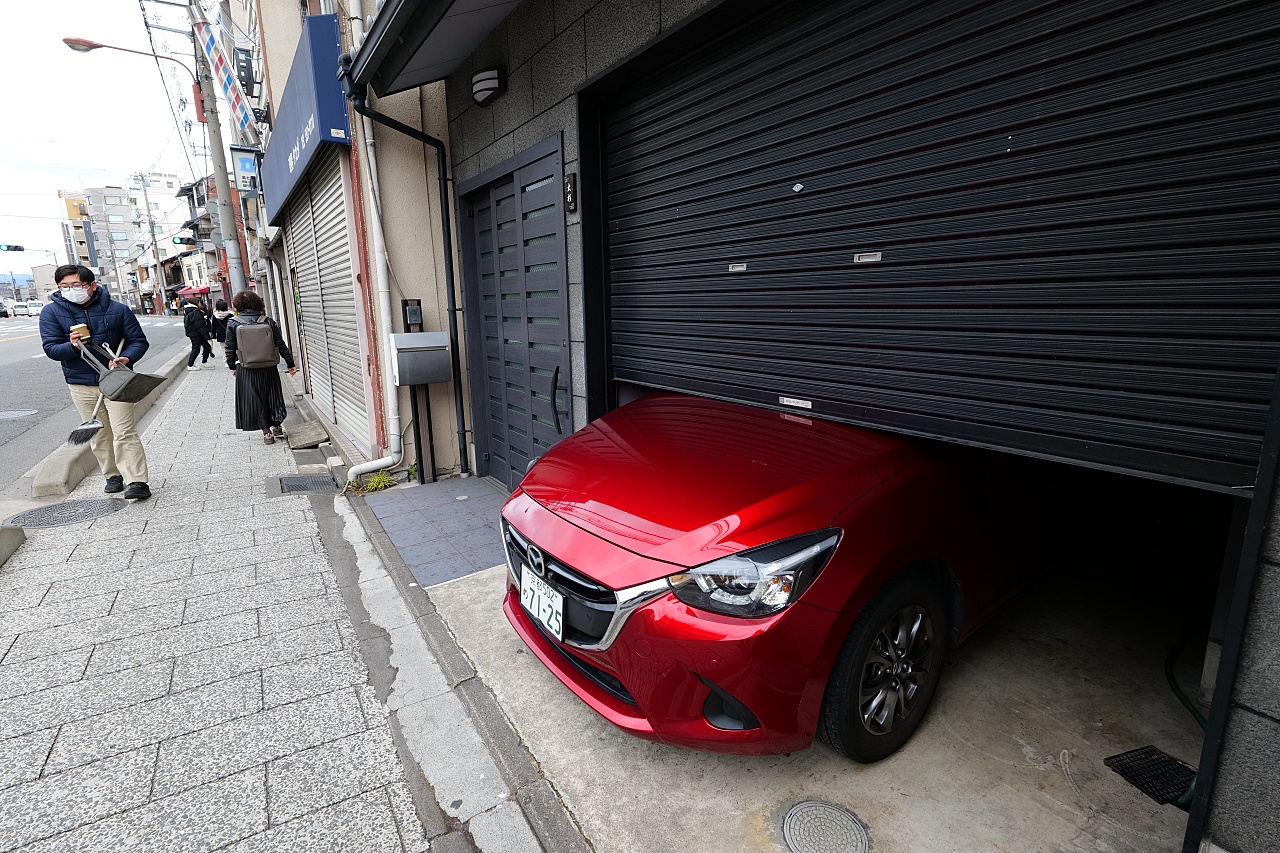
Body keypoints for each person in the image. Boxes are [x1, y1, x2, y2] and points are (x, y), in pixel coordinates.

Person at [40, 264, 151, 500]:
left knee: (124, 431)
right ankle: (112, 475)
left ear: (92, 286)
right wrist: (70, 345)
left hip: (118, 380)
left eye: (76, 285)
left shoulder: (118, 310)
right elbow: (51, 348)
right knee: (99, 433)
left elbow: (138, 341)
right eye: (64, 287)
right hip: (80, 383)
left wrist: (126, 357)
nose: (70, 290)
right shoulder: (51, 313)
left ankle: (137, 481)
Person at [225, 290, 297, 444]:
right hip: (268, 366)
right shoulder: (268, 321)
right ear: (258, 303)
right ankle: (277, 425)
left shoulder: (233, 323)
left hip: (246, 369)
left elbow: (229, 348)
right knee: (273, 395)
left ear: (237, 305)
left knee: (255, 399)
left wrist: (232, 366)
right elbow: (281, 344)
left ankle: (266, 433)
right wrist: (290, 363)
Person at [183, 298, 213, 369]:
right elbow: (200, 325)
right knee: (196, 349)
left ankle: (204, 362)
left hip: (195, 333)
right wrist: (207, 336)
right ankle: (190, 365)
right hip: (195, 334)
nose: (200, 304)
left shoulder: (190, 311)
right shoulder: (194, 312)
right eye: (199, 302)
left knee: (207, 347)